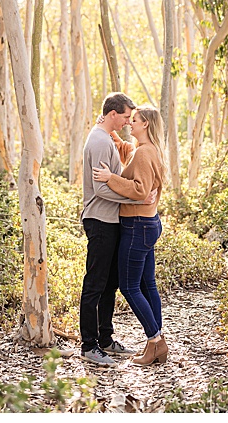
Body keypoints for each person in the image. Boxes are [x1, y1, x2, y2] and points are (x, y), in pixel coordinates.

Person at [93, 104, 170, 366]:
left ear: (145, 124)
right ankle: (157, 343)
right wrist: (113, 135)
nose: (130, 124)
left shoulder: (145, 154)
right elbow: (131, 155)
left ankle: (155, 341)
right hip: (147, 223)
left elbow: (139, 189)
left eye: (134, 120)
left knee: (129, 286)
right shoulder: (147, 151)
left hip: (137, 226)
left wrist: (110, 177)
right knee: (148, 285)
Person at [79, 91, 138, 365]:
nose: (128, 121)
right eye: (125, 116)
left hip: (111, 220)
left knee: (109, 284)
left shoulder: (105, 137)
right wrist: (131, 196)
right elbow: (102, 189)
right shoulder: (100, 141)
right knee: (94, 284)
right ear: (113, 114)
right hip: (100, 220)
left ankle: (105, 339)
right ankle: (89, 346)